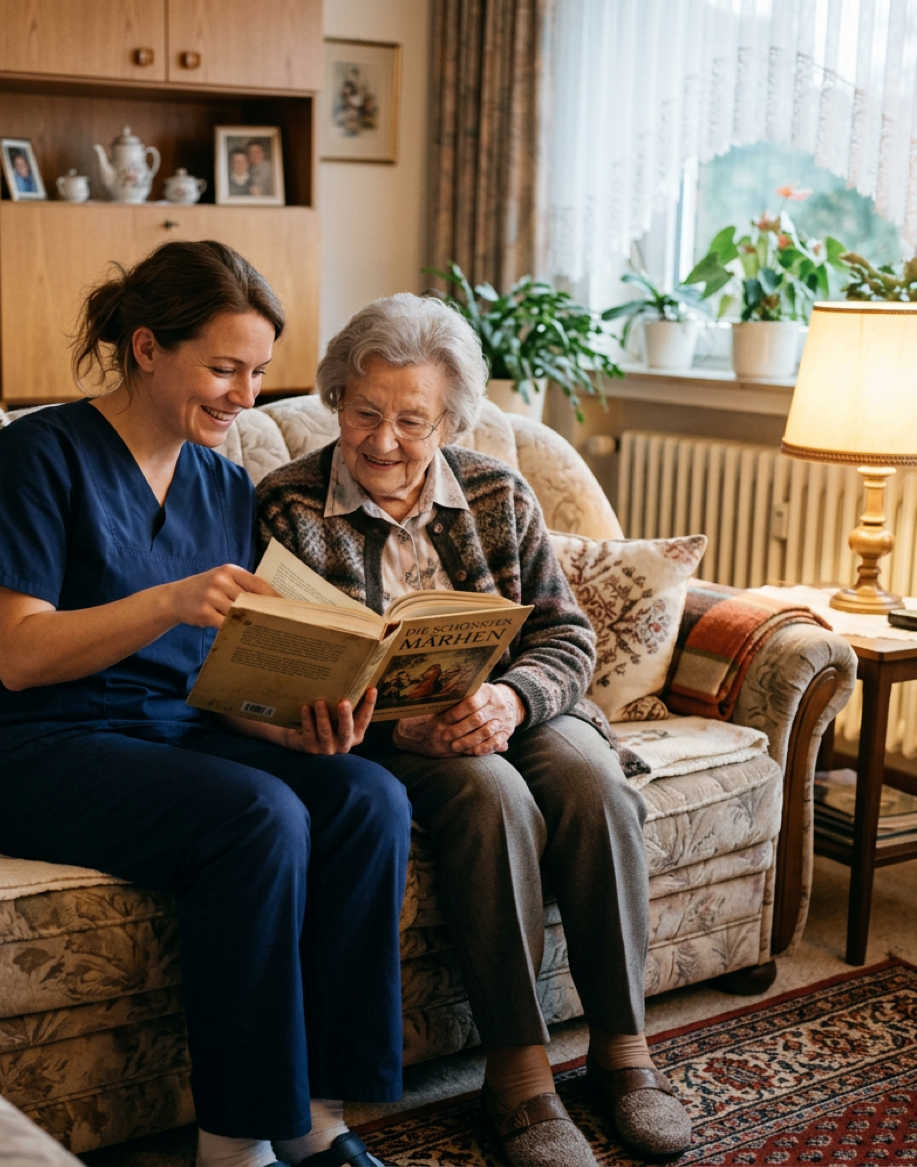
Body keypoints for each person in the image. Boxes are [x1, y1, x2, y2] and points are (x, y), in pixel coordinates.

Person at [0, 242, 410, 1167]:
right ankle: (235, 1148)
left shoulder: (222, 482)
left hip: (169, 735)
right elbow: (19, 655)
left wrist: (297, 719)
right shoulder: (36, 454)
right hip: (31, 744)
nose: (246, 395)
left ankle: (319, 1123)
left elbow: (210, 682)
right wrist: (169, 598)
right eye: (224, 368)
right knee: (256, 815)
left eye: (260, 373)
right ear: (147, 348)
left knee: (364, 795)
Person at [256, 293, 693, 1167]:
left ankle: (624, 1053)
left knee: (592, 782)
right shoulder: (288, 506)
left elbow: (565, 632)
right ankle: (521, 1076)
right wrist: (396, 731)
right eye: (364, 411)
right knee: (493, 797)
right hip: (396, 738)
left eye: (411, 420)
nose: (383, 441)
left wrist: (515, 700)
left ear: (450, 418)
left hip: (509, 706)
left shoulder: (497, 488)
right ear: (336, 397)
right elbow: (287, 671)